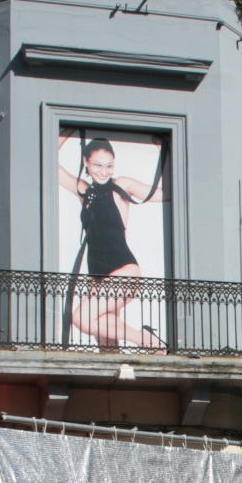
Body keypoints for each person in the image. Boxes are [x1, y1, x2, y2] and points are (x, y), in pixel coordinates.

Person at [58, 132, 166, 350]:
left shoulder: (121, 186)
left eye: (109, 166)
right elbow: (48, 164)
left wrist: (164, 152)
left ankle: (147, 339)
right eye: (97, 164)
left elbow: (168, 193)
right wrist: (64, 131)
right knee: (108, 348)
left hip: (123, 269)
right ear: (85, 162)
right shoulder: (84, 191)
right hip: (97, 278)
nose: (103, 171)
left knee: (82, 319)